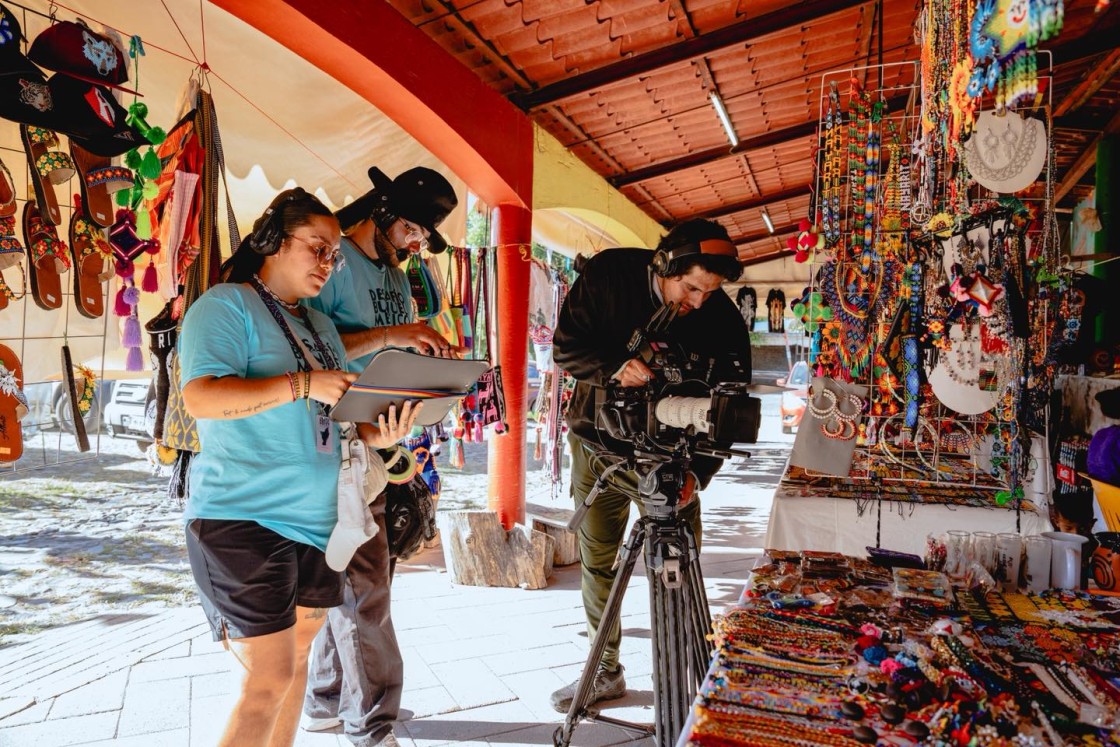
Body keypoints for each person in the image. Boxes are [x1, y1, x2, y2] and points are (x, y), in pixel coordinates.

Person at [178, 188, 420, 747]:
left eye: (333, 253)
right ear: (273, 242)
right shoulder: (225, 305)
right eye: (317, 247)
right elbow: (201, 398)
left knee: (300, 665)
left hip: (320, 523)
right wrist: (301, 383)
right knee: (271, 677)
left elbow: (331, 419)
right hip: (244, 516)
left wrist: (378, 434)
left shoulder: (319, 326)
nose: (328, 263)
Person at [549, 218, 751, 712]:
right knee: (598, 563)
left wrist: (696, 478)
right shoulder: (607, 276)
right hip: (595, 446)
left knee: (680, 567)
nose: (699, 301)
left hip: (673, 461)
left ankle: (691, 675)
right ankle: (603, 671)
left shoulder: (721, 317)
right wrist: (616, 367)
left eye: (710, 290)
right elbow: (565, 347)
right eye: (691, 287)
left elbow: (730, 407)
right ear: (664, 264)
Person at [302, 166, 459, 747]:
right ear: (385, 211)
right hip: (332, 441)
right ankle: (371, 726)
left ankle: (324, 700)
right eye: (415, 229)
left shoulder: (396, 274)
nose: (420, 244)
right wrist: (397, 338)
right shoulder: (333, 258)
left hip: (379, 436)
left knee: (352, 581)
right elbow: (312, 346)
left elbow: (393, 343)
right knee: (365, 588)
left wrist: (430, 365)